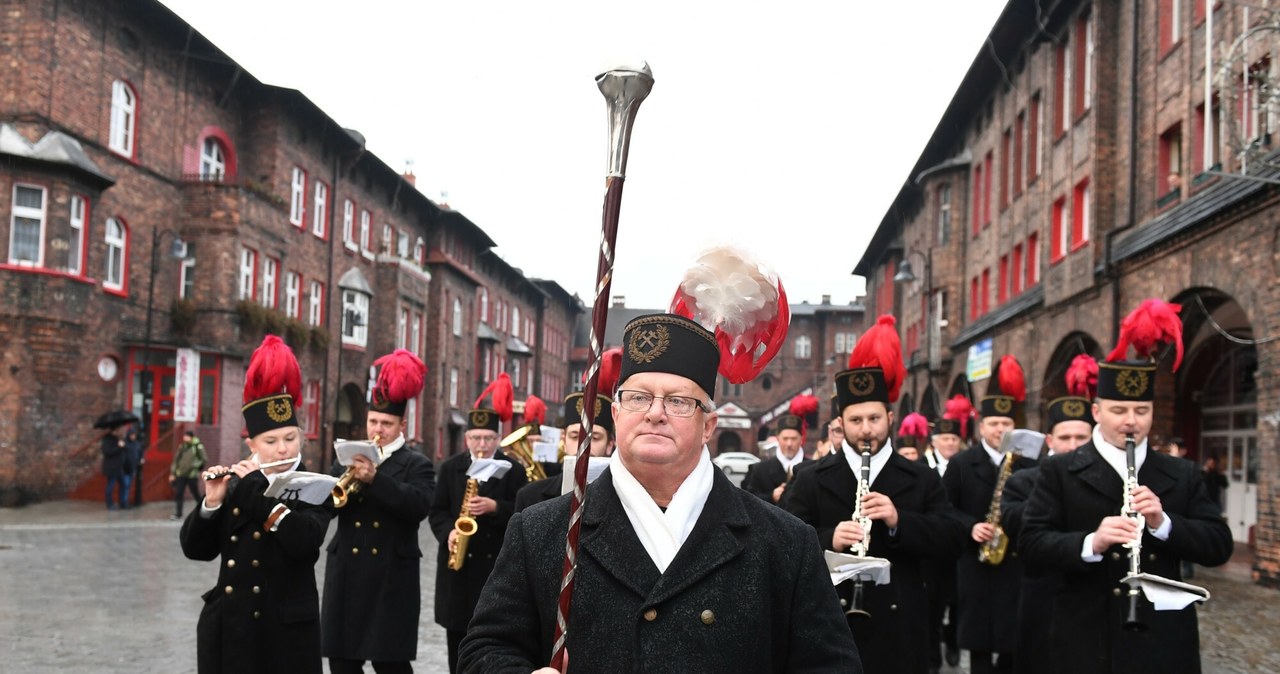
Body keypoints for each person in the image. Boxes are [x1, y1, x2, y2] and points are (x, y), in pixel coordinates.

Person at [460, 313, 862, 673]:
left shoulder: (785, 542)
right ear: (616, 414)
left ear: (709, 425)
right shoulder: (542, 531)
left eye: (679, 401)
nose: (655, 412)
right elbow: (484, 648)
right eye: (638, 397)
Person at [1021, 299, 1234, 674]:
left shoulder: (1181, 473)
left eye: (1142, 411)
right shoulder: (1061, 471)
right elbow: (1031, 545)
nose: (1131, 422)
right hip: (1085, 637)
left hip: (1162, 642)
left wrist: (1164, 524)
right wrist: (1091, 542)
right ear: (1097, 411)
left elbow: (1218, 545)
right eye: (1119, 411)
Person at [786, 315, 964, 674]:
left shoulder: (921, 477)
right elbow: (783, 544)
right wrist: (828, 538)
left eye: (874, 419)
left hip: (900, 627)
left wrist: (900, 522)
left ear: (890, 416)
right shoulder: (810, 478)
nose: (866, 430)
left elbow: (951, 539)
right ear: (841, 423)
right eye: (855, 421)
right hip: (828, 620)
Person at [179, 335, 330, 674]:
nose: (282, 449)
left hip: (285, 634)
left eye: (290, 439)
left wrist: (255, 493)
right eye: (271, 441)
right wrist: (212, 503)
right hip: (232, 627)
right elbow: (195, 550)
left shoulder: (315, 486)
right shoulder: (236, 479)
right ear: (252, 443)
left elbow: (304, 542)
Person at [323, 349, 436, 674]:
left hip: (391, 576)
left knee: (392, 665)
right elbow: (329, 504)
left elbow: (418, 506)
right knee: (342, 663)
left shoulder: (418, 464)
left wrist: (376, 480)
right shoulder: (348, 457)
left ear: (402, 424)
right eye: (373, 421)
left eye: (386, 423)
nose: (378, 428)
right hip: (347, 571)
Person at [999, 354, 1096, 674]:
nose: (1072, 445)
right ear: (1050, 440)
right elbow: (1017, 525)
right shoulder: (1023, 481)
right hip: (1042, 602)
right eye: (1065, 438)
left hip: (1090, 604)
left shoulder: (1103, 479)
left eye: (1080, 438)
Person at [428, 373, 529, 673]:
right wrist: (448, 533)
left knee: (491, 640)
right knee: (456, 642)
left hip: (494, 565)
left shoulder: (513, 469)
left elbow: (525, 511)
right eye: (476, 438)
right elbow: (437, 511)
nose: (482, 445)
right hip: (457, 570)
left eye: (488, 438)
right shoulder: (450, 468)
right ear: (466, 439)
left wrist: (496, 506)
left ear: (498, 439)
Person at [943, 355, 1037, 674]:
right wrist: (970, 527)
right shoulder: (961, 463)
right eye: (994, 423)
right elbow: (944, 509)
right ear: (982, 426)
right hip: (975, 563)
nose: (1000, 429)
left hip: (1015, 563)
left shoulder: (1028, 464)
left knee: (1013, 638)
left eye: (1006, 424)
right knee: (979, 640)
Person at [921, 399, 970, 673]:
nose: (950, 444)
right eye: (945, 439)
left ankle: (952, 640)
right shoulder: (923, 467)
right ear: (934, 441)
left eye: (954, 439)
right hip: (933, 548)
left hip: (957, 543)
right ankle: (935, 653)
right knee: (934, 605)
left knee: (958, 599)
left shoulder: (964, 465)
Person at [515, 387, 616, 512]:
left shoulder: (623, 500)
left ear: (610, 445)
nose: (583, 447)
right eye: (575, 437)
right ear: (563, 440)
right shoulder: (530, 496)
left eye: (594, 438)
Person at [742, 394, 817, 505]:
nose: (789, 443)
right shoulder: (760, 469)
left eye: (794, 438)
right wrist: (771, 496)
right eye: (785, 438)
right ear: (778, 439)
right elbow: (748, 501)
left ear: (801, 439)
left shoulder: (813, 468)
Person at [170, 430, 207, 520]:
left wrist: (194, 466)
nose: (185, 438)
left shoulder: (197, 446)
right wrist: (173, 473)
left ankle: (201, 511)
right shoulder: (182, 446)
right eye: (184, 436)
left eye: (187, 436)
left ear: (191, 437)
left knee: (195, 493)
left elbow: (204, 459)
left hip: (191, 475)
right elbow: (176, 460)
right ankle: (178, 513)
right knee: (179, 493)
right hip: (181, 474)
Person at [101, 424, 130, 510]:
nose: (119, 432)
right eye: (117, 430)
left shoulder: (118, 439)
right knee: (111, 485)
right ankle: (109, 504)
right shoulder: (107, 440)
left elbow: (125, 449)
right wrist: (118, 446)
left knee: (124, 484)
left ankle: (123, 503)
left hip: (119, 467)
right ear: (113, 431)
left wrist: (123, 445)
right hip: (112, 467)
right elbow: (107, 452)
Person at [126, 428, 145, 506]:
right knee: (126, 484)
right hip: (126, 467)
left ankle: (128, 500)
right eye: (131, 435)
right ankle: (125, 501)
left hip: (134, 466)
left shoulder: (137, 444)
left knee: (129, 484)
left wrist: (142, 458)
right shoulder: (126, 443)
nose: (133, 437)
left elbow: (141, 452)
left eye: (134, 435)